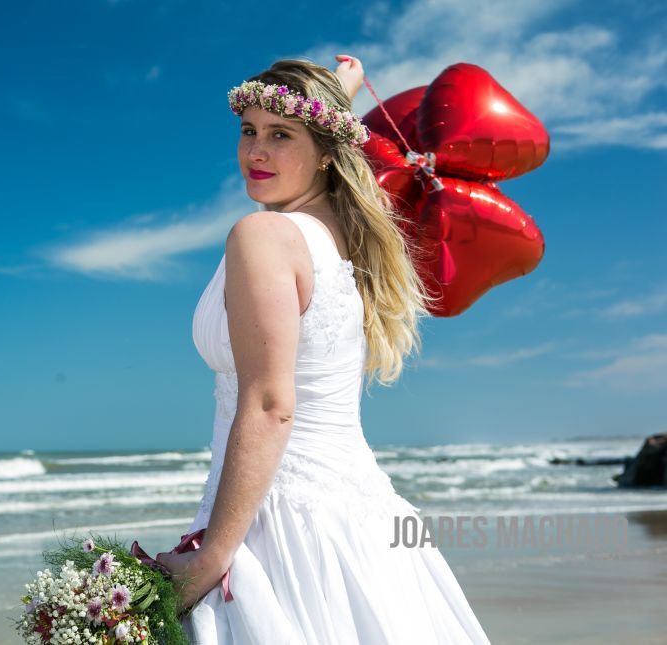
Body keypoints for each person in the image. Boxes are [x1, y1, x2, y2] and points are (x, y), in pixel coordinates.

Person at [154, 56, 492, 644]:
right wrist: (340, 96)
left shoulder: (264, 236)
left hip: (277, 524)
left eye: (280, 135)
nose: (256, 152)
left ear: (329, 151)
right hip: (357, 519)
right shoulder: (338, 240)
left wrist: (212, 559)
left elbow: (268, 405)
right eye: (248, 131)